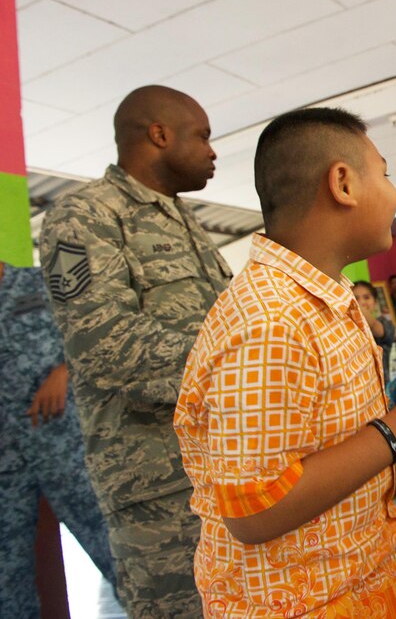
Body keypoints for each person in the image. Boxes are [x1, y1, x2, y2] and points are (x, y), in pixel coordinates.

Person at [175, 106, 396, 616]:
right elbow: (254, 510)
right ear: (343, 184)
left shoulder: (324, 298)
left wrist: (392, 476)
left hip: (371, 573)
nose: (393, 192)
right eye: (385, 173)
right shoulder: (269, 320)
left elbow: (311, 454)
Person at [38, 85, 232, 617]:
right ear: (160, 134)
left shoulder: (185, 221)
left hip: (226, 472)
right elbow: (104, 344)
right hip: (159, 492)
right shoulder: (85, 216)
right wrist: (240, 364)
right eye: (203, 136)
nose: (213, 151)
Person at [0, 263, 117, 617]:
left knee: (116, 552)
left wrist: (66, 369)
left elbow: (99, 332)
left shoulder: (43, 281)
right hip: (7, 464)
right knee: (8, 579)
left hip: (67, 446)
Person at [353, 279, 396, 378]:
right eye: (355, 298)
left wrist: (354, 305)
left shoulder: (385, 323)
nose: (362, 302)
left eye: (366, 297)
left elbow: (377, 329)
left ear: (375, 302)